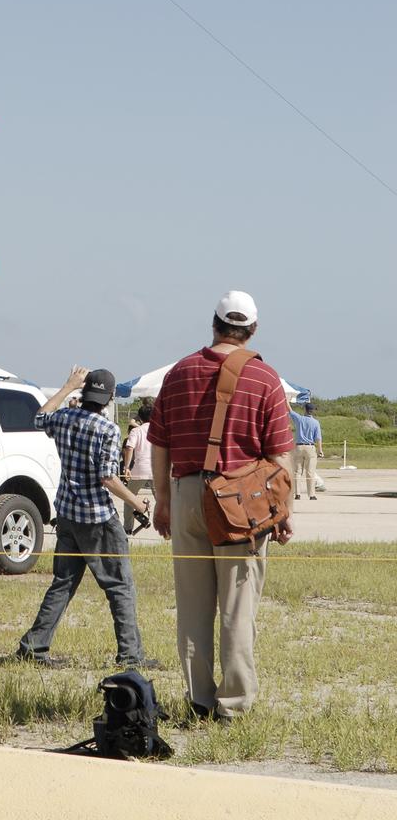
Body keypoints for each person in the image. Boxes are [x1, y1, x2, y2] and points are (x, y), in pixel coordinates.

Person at [149, 291, 294, 721]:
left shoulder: (178, 373)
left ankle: (198, 700)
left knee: (192, 605)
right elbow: (280, 457)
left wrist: (163, 500)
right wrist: (283, 512)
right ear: (252, 331)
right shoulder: (265, 379)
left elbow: (159, 443)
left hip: (187, 492)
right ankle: (232, 706)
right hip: (240, 502)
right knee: (237, 606)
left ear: (213, 325)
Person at [17, 366, 155, 669]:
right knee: (120, 586)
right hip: (98, 520)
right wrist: (137, 503)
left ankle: (34, 646)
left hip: (67, 514)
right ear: (108, 399)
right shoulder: (108, 430)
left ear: (85, 392)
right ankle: (131, 655)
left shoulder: (65, 419)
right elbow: (108, 477)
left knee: (63, 583)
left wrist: (67, 386)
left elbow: (40, 417)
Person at [121, 400, 155, 536]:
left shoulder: (136, 430)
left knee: (129, 498)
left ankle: (128, 527)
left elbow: (129, 448)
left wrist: (127, 467)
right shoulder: (160, 430)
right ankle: (170, 527)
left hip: (140, 469)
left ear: (140, 418)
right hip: (156, 470)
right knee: (164, 500)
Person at [289, 402, 324, 500]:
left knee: (297, 471)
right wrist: (320, 450)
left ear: (305, 409)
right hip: (310, 447)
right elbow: (318, 438)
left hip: (299, 447)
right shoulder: (316, 422)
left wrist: (286, 401)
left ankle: (297, 494)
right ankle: (311, 494)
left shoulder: (299, 419)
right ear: (312, 411)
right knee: (310, 472)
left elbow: (290, 411)